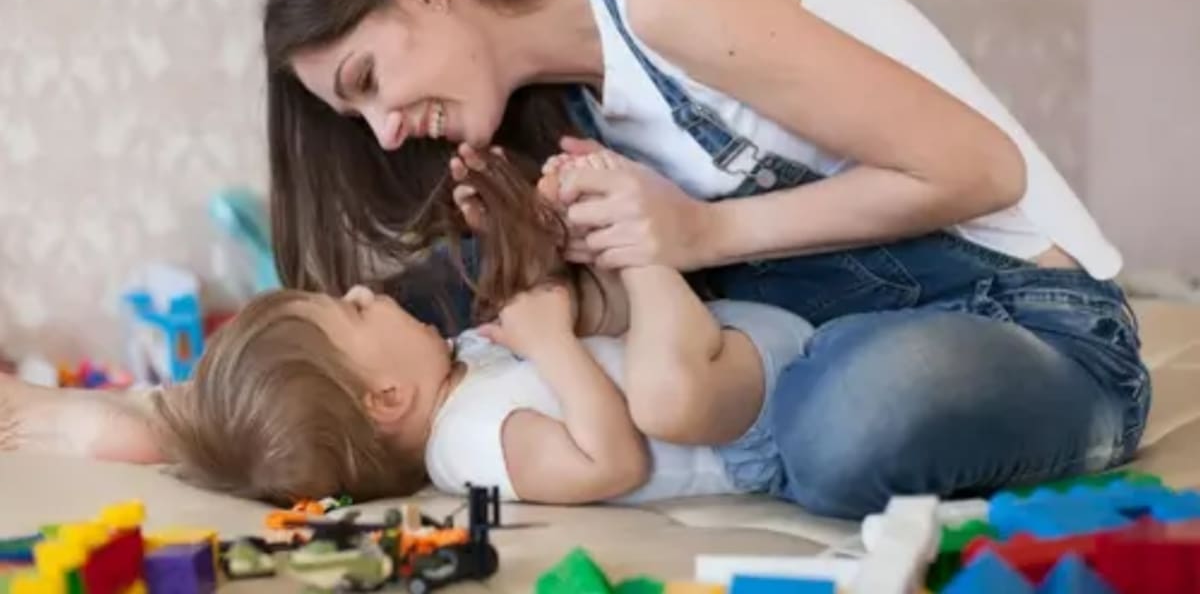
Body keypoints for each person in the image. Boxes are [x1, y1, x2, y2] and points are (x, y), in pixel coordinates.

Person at [3, 0, 1150, 519]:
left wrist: (700, 235)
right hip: (823, 324)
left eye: (368, 81)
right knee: (471, 284)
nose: (385, 129)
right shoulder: (566, 107)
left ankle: (163, 409)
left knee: (845, 425)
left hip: (1024, 314)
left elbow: (979, 168)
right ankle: (175, 411)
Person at [11, 152, 815, 509]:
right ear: (388, 398)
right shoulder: (469, 446)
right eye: (355, 311)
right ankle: (642, 247)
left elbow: (569, 334)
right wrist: (550, 344)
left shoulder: (459, 372)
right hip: (749, 423)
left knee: (586, 303)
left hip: (726, 356)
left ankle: (152, 409)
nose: (367, 289)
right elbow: (611, 462)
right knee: (652, 378)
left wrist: (517, 237)